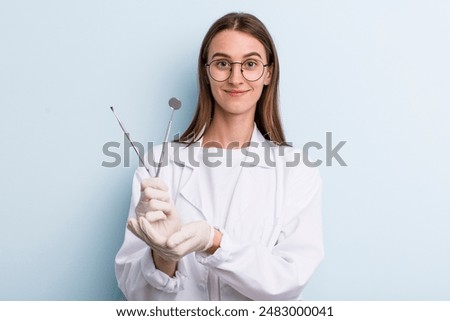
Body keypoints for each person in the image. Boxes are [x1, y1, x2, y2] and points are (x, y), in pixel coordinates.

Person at [115, 12, 323, 301]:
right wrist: (162, 257)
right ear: (206, 72)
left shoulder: (295, 170)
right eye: (223, 64)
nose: (235, 77)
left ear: (268, 74)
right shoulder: (160, 165)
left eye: (250, 64)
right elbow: (135, 293)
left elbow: (288, 281)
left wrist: (215, 242)